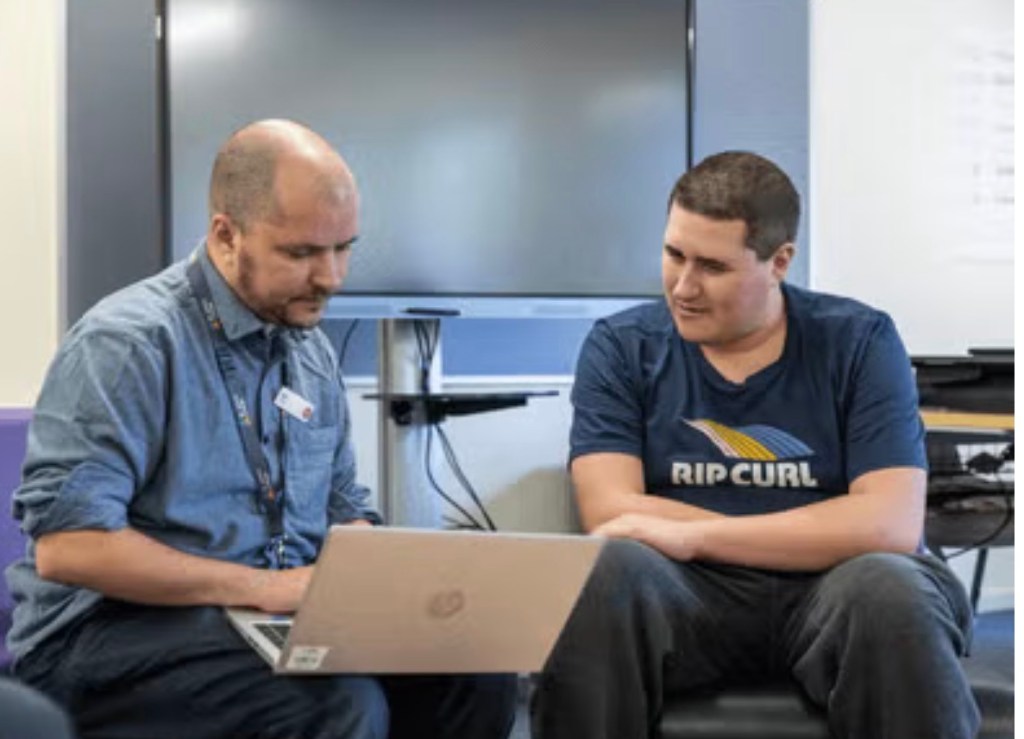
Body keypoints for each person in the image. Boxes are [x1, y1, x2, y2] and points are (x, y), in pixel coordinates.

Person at [5, 119, 517, 739]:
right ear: (227, 236)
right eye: (301, 254)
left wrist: (385, 584)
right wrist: (264, 588)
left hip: (262, 617)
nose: (331, 277)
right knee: (337, 706)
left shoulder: (309, 350)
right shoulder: (129, 343)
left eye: (344, 248)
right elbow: (71, 548)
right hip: (107, 635)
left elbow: (340, 507)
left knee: (475, 672)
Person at [531, 151, 978, 739]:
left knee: (891, 590)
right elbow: (611, 511)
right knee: (607, 568)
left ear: (779, 261)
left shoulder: (860, 341)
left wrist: (694, 535)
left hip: (836, 585)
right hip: (684, 590)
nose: (683, 287)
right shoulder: (622, 346)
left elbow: (888, 525)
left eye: (713, 267)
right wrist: (821, 526)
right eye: (674, 254)